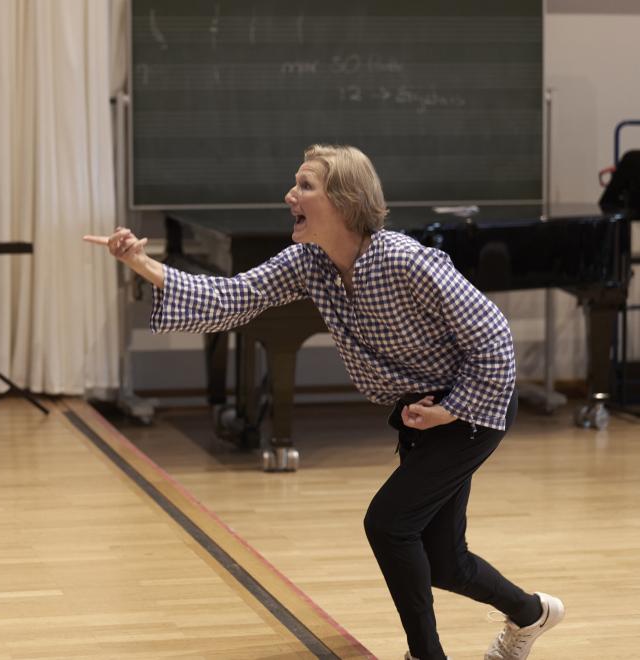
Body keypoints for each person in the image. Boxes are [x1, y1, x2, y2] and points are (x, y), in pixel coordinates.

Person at [84, 144, 564, 660]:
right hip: (423, 414)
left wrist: (450, 409)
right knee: (444, 560)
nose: (290, 194)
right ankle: (533, 613)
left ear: (345, 200)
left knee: (389, 524)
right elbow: (232, 299)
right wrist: (140, 262)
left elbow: (493, 337)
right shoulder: (311, 262)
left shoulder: (404, 259)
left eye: (305, 186)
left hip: (473, 407)